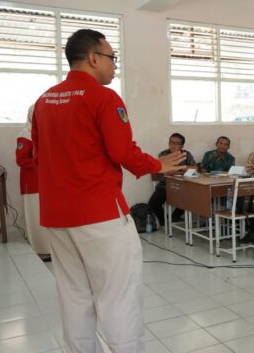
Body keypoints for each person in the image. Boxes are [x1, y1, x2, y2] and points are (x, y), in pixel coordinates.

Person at [31, 29, 185, 352]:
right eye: (112, 57)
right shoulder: (103, 98)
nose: (115, 65)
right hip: (100, 214)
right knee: (119, 296)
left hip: (58, 216)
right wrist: (158, 166)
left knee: (73, 296)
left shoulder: (44, 101)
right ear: (93, 58)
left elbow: (37, 157)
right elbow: (122, 151)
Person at [15, 104, 51, 261]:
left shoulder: (46, 133)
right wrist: (42, 162)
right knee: (35, 216)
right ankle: (40, 248)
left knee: (47, 217)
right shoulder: (25, 135)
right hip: (32, 183)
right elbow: (21, 160)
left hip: (46, 182)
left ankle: (49, 247)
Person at [147, 133, 197, 225]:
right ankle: (165, 222)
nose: (173, 145)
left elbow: (195, 169)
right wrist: (184, 169)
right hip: (165, 184)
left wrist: (177, 169)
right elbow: (167, 172)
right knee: (152, 204)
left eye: (177, 143)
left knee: (193, 196)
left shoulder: (186, 154)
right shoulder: (163, 154)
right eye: (171, 142)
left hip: (184, 184)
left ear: (182, 146)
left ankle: (174, 217)